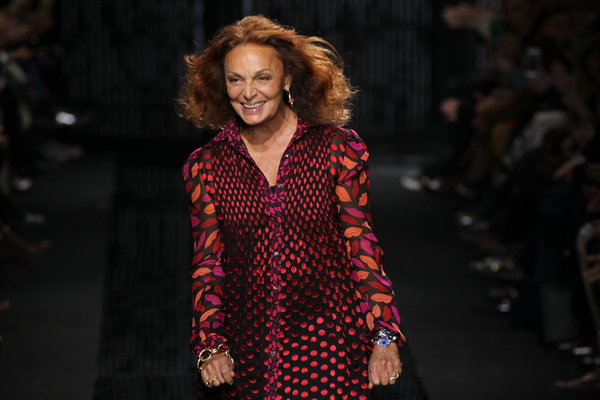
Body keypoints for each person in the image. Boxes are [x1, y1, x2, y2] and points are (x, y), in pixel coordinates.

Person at [178, 15, 405, 400]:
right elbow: (208, 263)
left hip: (329, 342)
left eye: (262, 77)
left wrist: (384, 335)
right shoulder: (207, 166)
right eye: (236, 80)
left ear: (286, 79)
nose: (248, 93)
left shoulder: (338, 150)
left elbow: (361, 244)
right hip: (246, 349)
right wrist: (210, 345)